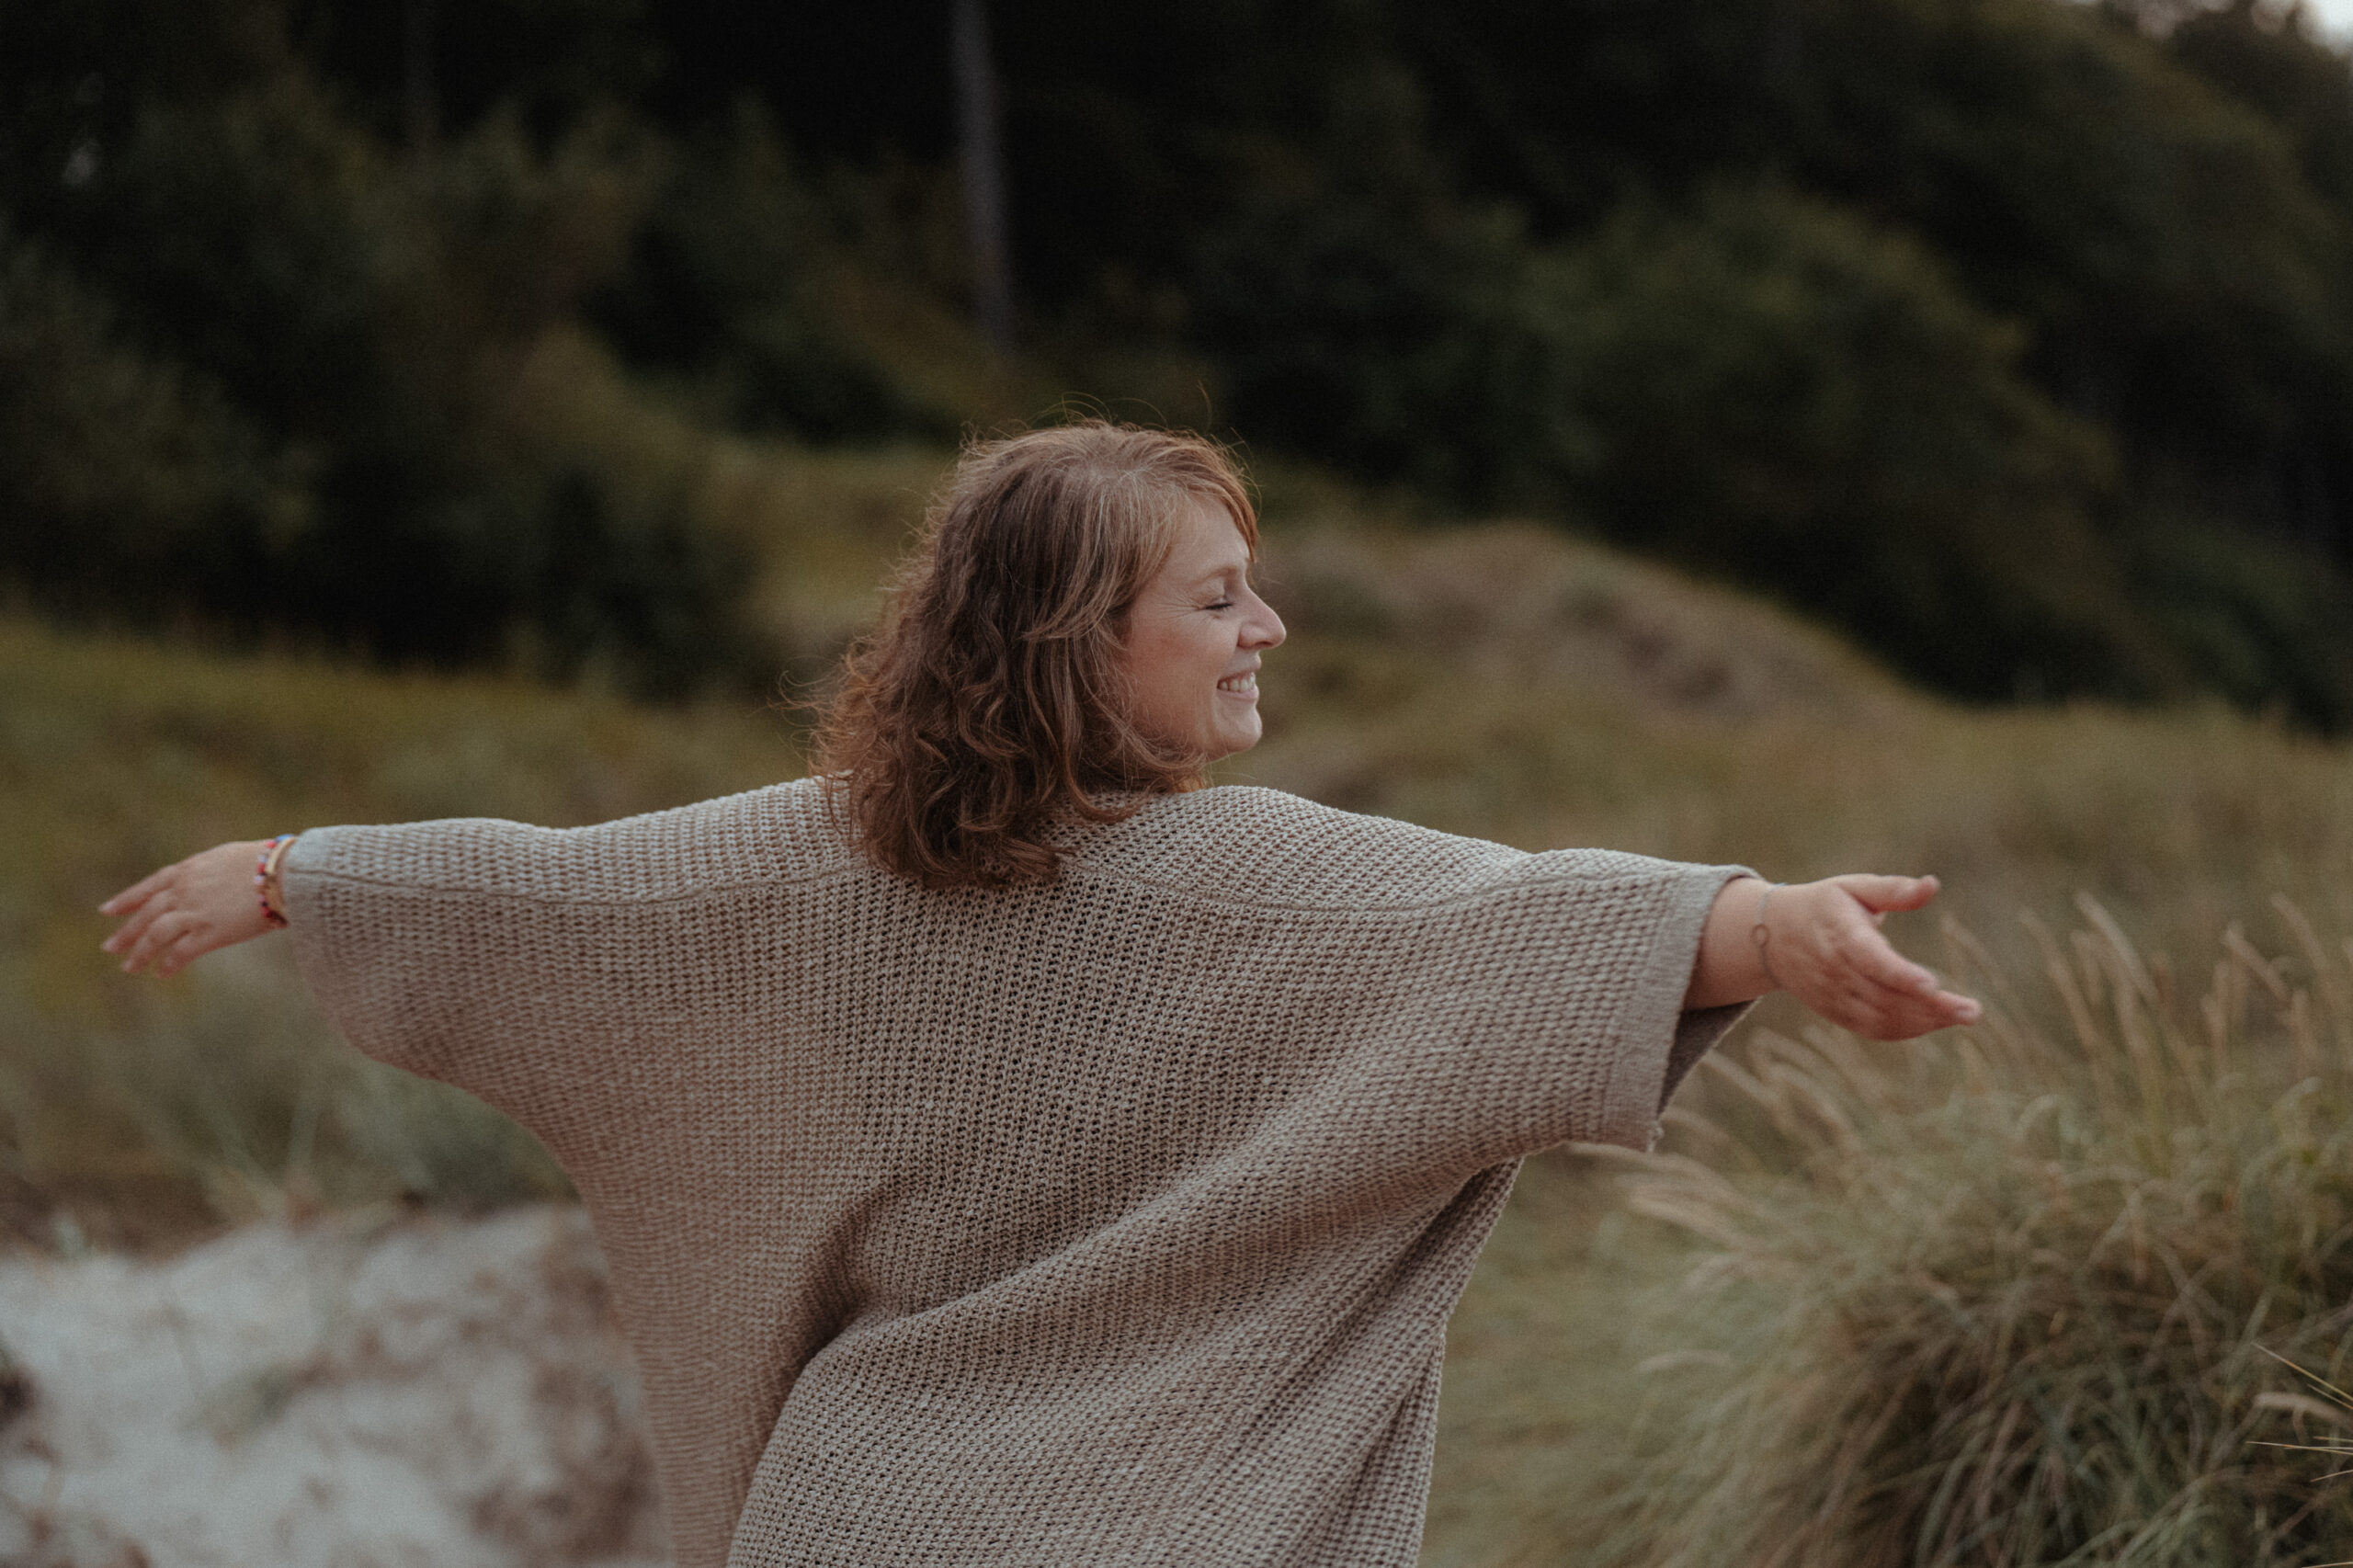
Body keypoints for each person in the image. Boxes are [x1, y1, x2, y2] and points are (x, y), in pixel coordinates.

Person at [99, 421, 1979, 1568]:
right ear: (1087, 642)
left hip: (849, 1520)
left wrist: (287, 871)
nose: (1266, 628)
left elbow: (542, 893)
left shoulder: (806, 858)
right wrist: (1772, 924)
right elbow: (1541, 932)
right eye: (1219, 598)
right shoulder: (1269, 877)